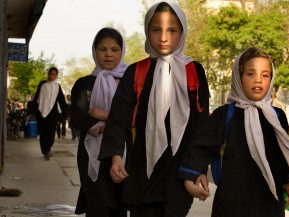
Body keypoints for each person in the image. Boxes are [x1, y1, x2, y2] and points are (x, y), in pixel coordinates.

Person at [98, 2, 210, 217]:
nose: (163, 37)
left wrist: (198, 170)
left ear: (182, 32)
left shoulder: (193, 71)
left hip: (179, 172)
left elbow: (202, 125)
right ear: (147, 31)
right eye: (156, 29)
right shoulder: (136, 71)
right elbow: (118, 119)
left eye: (172, 30)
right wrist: (115, 156)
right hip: (141, 171)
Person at [179, 46, 289, 217]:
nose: (258, 80)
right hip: (233, 201)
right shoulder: (226, 114)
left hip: (269, 200)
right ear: (238, 77)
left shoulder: (277, 116)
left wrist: (286, 181)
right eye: (250, 74)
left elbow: (281, 155)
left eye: (265, 75)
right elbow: (201, 147)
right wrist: (190, 177)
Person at [70, 27, 128, 217]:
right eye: (103, 49)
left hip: (122, 152)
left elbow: (133, 115)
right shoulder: (85, 83)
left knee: (119, 205)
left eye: (114, 49)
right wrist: (110, 122)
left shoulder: (130, 82)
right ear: (95, 51)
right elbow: (78, 116)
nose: (109, 54)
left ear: (122, 51)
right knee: (98, 205)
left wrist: (102, 115)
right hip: (91, 153)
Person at [33, 66, 67, 160]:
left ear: (56, 76)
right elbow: (37, 97)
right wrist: (33, 110)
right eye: (50, 74)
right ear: (48, 74)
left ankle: (48, 148)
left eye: (54, 75)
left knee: (51, 133)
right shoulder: (42, 84)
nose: (51, 76)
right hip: (41, 112)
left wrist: (65, 114)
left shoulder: (57, 86)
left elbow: (61, 100)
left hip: (52, 113)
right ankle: (45, 151)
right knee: (42, 132)